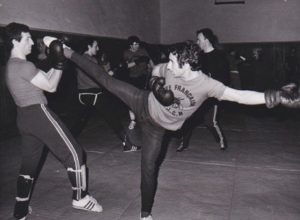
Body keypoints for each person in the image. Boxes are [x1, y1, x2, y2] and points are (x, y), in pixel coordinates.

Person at [44, 37, 293, 220]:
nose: (169, 66)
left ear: (186, 65)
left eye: (173, 63)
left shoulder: (208, 85)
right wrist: (154, 82)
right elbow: (156, 69)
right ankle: (66, 51)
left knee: (149, 167)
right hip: (142, 101)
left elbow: (239, 95)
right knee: (108, 82)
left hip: (157, 128)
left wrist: (273, 97)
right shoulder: (168, 67)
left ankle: (145, 214)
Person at [3, 22, 102, 220]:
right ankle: (80, 198)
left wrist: (56, 60)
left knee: (29, 164)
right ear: (15, 41)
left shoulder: (11, 66)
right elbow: (51, 86)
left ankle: (20, 210)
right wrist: (59, 61)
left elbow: (44, 78)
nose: (32, 41)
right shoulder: (24, 65)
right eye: (27, 38)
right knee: (75, 153)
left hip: (24, 118)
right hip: (38, 114)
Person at [74, 38, 140, 152]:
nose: (98, 48)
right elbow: (100, 77)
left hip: (81, 94)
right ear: (88, 47)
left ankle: (61, 143)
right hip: (94, 94)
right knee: (113, 118)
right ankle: (127, 145)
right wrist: (111, 73)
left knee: (77, 122)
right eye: (95, 46)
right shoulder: (91, 59)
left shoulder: (79, 59)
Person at [177, 28, 230, 152]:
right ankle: (183, 143)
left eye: (199, 39)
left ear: (206, 39)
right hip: (198, 93)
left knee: (210, 121)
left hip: (212, 94)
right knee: (189, 118)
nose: (197, 42)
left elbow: (224, 78)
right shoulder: (199, 56)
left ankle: (221, 141)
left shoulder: (219, 56)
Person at [123, 35, 154, 130]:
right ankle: (133, 120)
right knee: (132, 100)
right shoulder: (126, 53)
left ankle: (146, 119)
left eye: (137, 44)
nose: (136, 46)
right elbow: (126, 66)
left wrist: (155, 69)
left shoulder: (143, 51)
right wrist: (138, 61)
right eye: (134, 44)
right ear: (130, 45)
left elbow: (150, 61)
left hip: (144, 77)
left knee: (145, 98)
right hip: (133, 78)